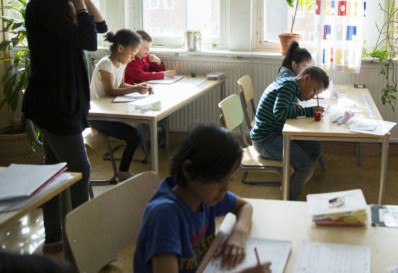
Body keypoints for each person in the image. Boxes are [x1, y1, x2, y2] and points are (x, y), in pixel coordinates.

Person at [22, 0, 107, 253]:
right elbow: (88, 42)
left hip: (62, 100)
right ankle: (81, 241)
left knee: (53, 170)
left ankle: (54, 236)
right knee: (79, 169)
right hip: (53, 104)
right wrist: (79, 2)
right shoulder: (43, 6)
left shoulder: (61, 4)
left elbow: (101, 27)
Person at [133, 123, 271, 273]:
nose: (225, 190)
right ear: (188, 169)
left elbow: (244, 206)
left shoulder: (202, 196)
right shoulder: (165, 215)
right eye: (219, 180)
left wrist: (238, 234)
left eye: (229, 180)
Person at [250, 66, 329, 200]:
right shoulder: (289, 86)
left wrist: (294, 107)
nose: (312, 96)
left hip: (277, 134)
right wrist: (308, 111)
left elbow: (283, 106)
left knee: (316, 148)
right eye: (313, 91)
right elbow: (280, 112)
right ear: (306, 78)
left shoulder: (292, 85)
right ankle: (288, 200)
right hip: (265, 139)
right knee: (305, 166)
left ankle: (294, 180)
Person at [89, 29, 151, 180]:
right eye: (131, 54)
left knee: (136, 132)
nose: (132, 58)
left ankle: (123, 171)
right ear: (120, 48)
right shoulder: (106, 64)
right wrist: (136, 88)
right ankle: (123, 173)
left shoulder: (120, 64)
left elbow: (121, 84)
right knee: (133, 136)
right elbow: (111, 90)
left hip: (111, 112)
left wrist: (138, 87)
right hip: (98, 116)